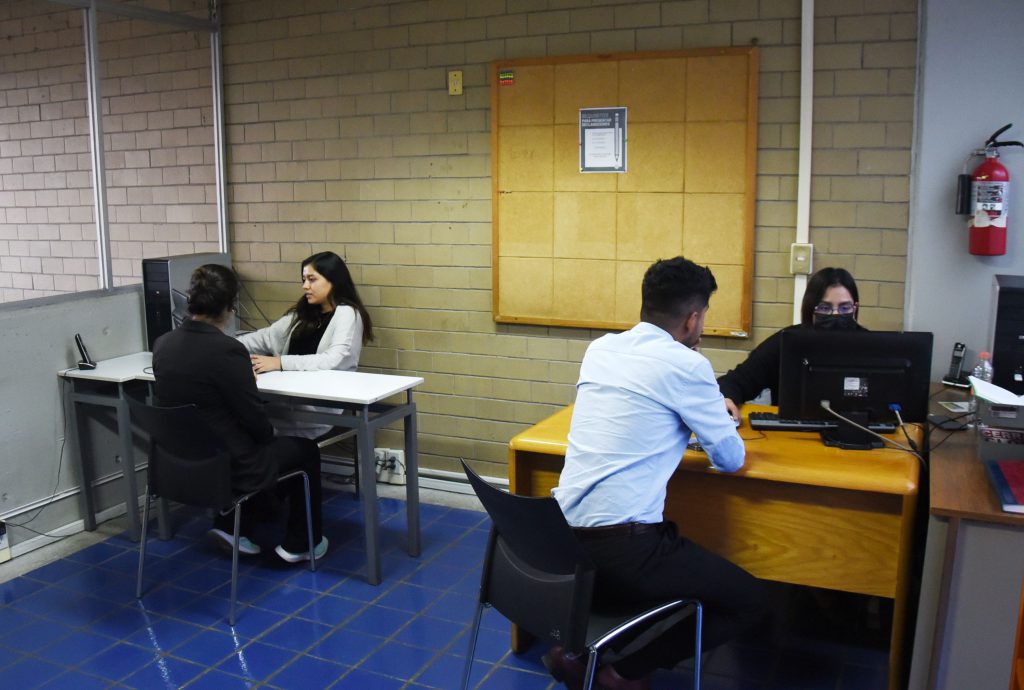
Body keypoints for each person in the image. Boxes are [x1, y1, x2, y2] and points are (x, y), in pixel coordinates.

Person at [547, 257, 765, 690]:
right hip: (625, 556)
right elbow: (730, 458)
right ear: (693, 319)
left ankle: (580, 654)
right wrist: (707, 406)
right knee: (751, 602)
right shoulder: (688, 367)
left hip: (561, 546)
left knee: (671, 555)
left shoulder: (602, 349)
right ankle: (622, 674)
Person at [152, 264, 327, 563]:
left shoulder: (162, 345)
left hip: (178, 467)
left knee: (240, 442)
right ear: (230, 305)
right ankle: (302, 542)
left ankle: (232, 524)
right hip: (231, 469)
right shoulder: (228, 351)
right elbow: (258, 424)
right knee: (303, 450)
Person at [717, 266, 865, 422]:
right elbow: (736, 380)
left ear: (855, 308)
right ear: (810, 309)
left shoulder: (872, 346)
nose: (835, 314)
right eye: (825, 308)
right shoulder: (786, 342)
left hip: (857, 434)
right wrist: (726, 397)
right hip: (793, 434)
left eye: (845, 308)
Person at [238, 250, 373, 374]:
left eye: (312, 279)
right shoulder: (304, 312)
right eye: (304, 280)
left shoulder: (347, 313)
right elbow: (266, 338)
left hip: (325, 395)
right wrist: (227, 344)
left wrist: (280, 362)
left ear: (333, 280)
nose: (305, 286)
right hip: (292, 392)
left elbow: (334, 360)